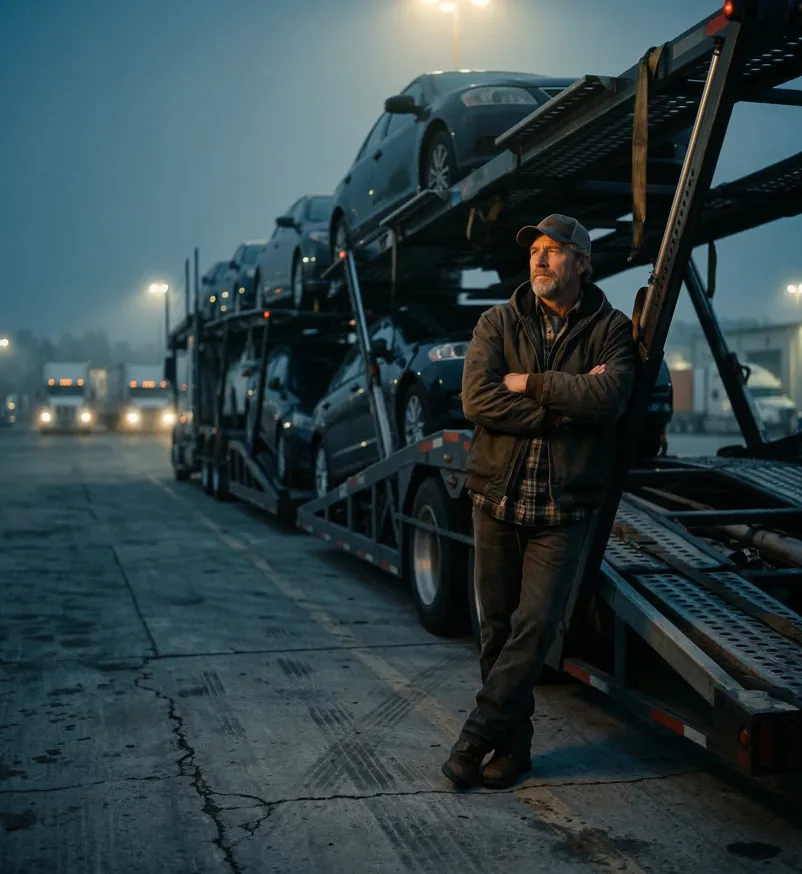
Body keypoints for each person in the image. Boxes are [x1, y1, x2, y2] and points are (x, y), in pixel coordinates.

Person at [441, 214, 637, 790]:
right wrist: (560, 410)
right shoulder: (497, 321)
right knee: (496, 629)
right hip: (495, 498)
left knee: (535, 627)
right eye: (536, 251)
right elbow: (477, 399)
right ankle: (516, 748)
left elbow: (609, 397)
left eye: (555, 251)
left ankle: (476, 737)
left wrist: (527, 383)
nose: (541, 260)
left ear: (583, 262)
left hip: (562, 508)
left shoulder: (611, 329)